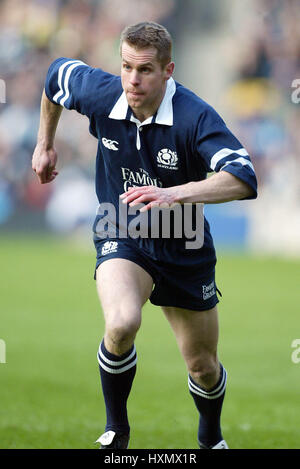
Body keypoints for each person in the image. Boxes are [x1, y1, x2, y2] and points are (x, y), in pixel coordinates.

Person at [32, 22, 257, 450]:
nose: (133, 80)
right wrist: (45, 144)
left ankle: (211, 437)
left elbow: (243, 177)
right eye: (126, 67)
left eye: (146, 70)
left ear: (168, 70)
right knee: (121, 323)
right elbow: (54, 76)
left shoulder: (195, 116)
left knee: (203, 367)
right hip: (121, 224)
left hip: (183, 238)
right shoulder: (102, 92)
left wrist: (174, 193)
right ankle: (117, 431)